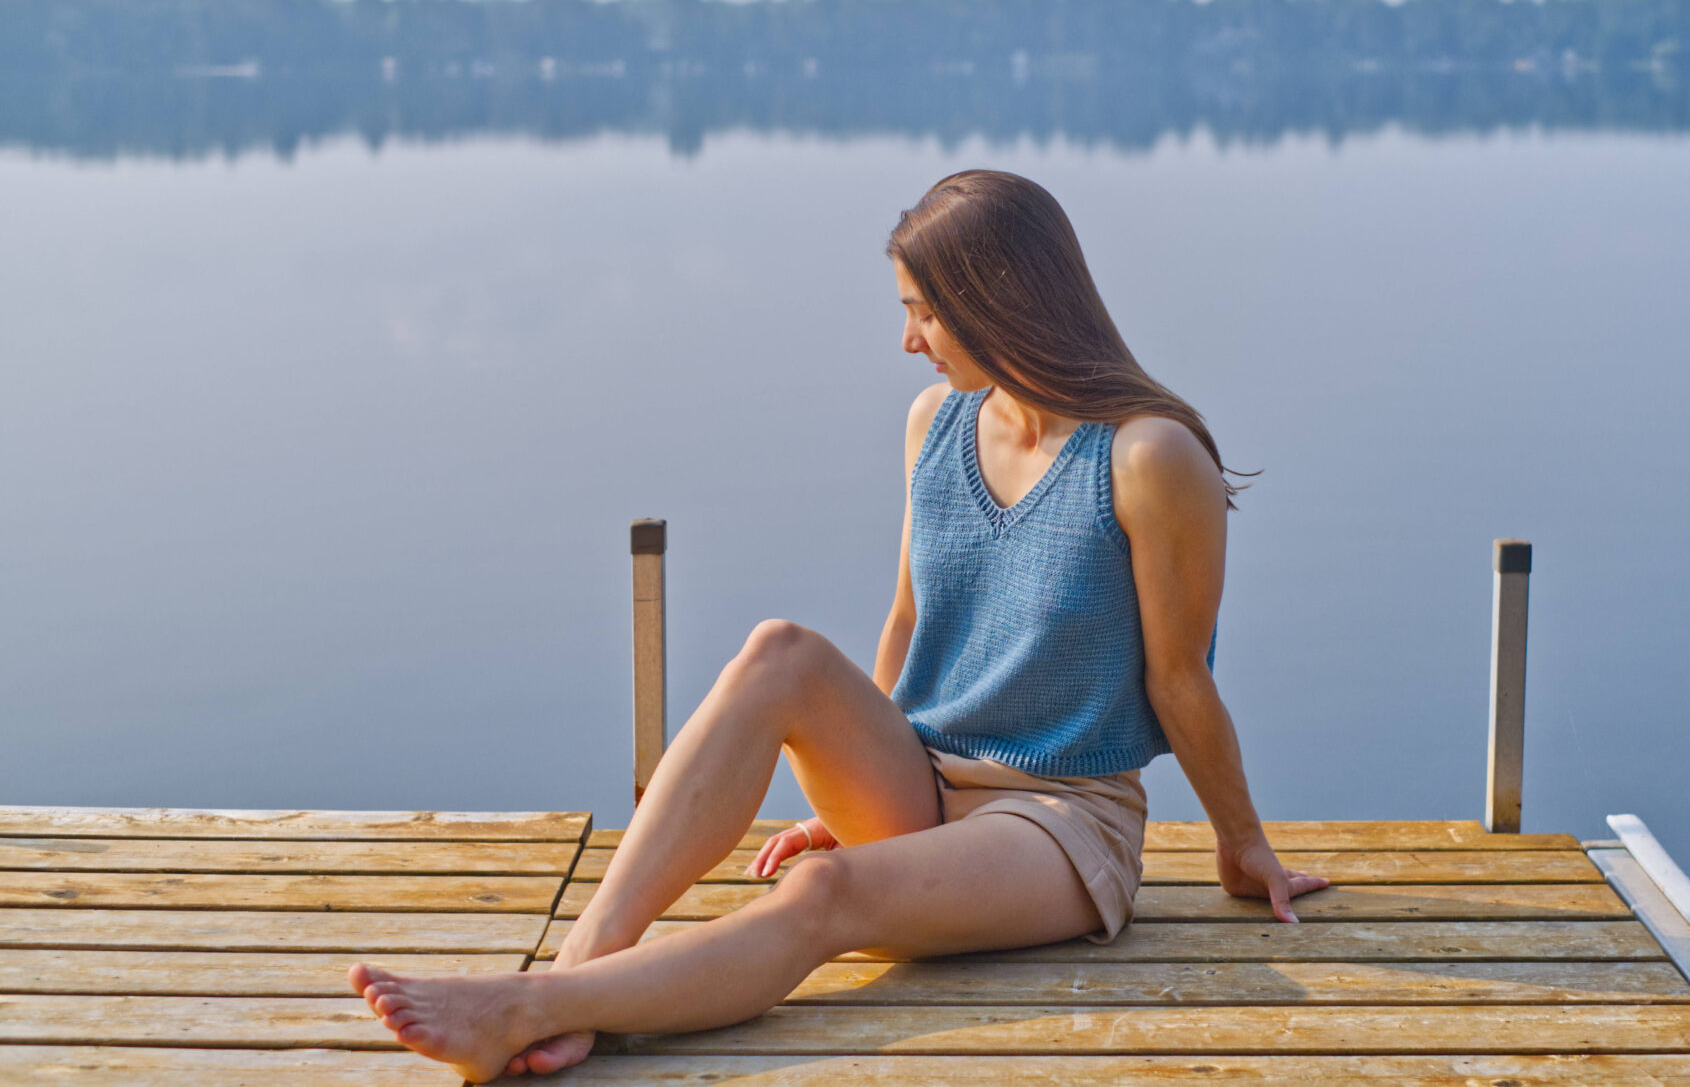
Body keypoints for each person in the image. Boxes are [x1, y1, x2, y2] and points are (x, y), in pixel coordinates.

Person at [348, 169, 1329, 1082]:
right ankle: (573, 976)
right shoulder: (935, 423)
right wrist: (871, 767)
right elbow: (908, 618)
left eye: (923, 311)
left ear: (999, 299)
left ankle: (531, 1005)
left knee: (821, 896)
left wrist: (1244, 844)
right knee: (780, 650)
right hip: (926, 776)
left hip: (1060, 821)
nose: (910, 339)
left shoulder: (1149, 457)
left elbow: (1180, 677)